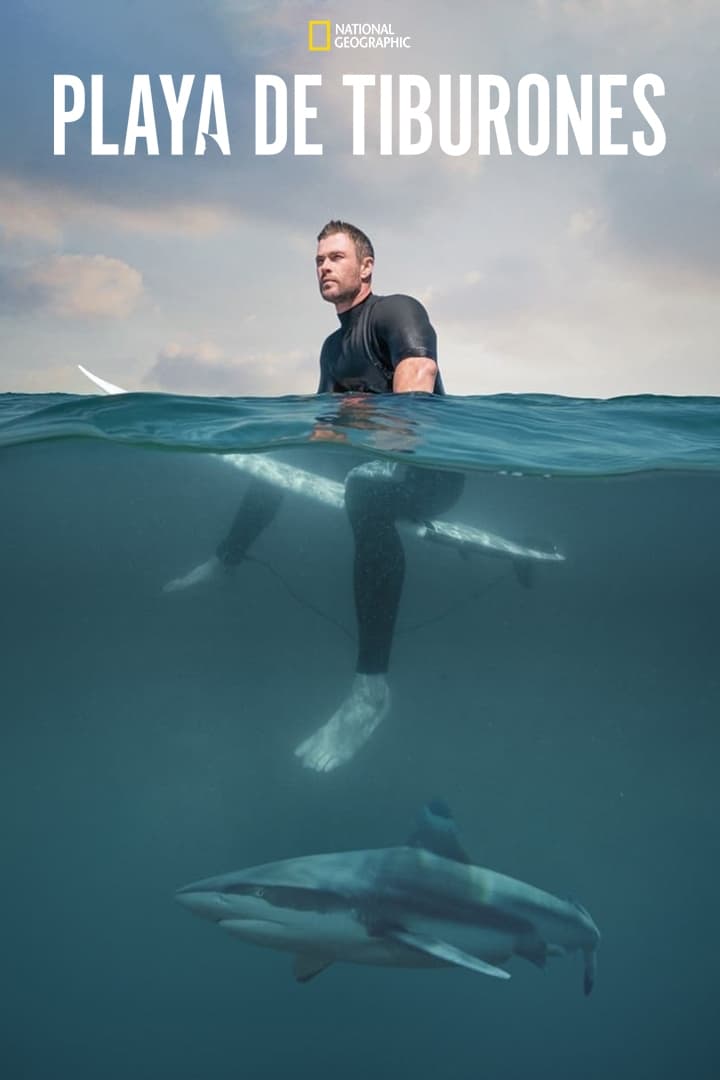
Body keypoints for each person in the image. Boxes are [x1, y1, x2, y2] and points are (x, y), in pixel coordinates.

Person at [166, 222, 464, 771]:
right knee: (281, 462)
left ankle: (371, 688)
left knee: (366, 488)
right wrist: (282, 441)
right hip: (374, 464)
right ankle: (229, 557)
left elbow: (418, 372)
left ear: (366, 266)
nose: (324, 267)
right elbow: (324, 426)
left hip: (433, 472)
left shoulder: (396, 311)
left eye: (335, 257)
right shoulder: (333, 348)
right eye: (318, 261)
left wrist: (390, 450)